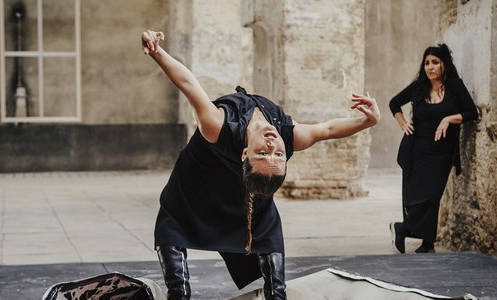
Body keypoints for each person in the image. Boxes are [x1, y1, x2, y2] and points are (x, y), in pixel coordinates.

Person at [141, 30, 380, 300]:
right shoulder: (287, 136)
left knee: (267, 232)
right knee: (176, 259)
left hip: (240, 193)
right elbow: (327, 129)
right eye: (277, 156)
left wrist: (157, 52)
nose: (273, 149)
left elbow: (188, 83)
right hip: (193, 191)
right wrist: (368, 121)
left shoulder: (217, 126)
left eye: (265, 155)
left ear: (246, 154)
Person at [389, 44, 478, 254]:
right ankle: (428, 243)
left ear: (444, 65)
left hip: (443, 151)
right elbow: (394, 103)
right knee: (416, 195)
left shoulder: (455, 86)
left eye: (435, 62)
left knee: (432, 194)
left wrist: (448, 118)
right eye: (427, 63)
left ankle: (402, 228)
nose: (430, 67)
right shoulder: (419, 87)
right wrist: (402, 122)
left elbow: (471, 112)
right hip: (417, 147)